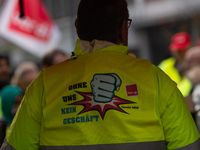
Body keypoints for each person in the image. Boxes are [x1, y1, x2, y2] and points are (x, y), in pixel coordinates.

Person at [1, 0, 200, 149]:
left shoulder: (44, 84)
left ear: (77, 27)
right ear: (123, 29)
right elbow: (188, 146)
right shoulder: (156, 78)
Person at [158, 32, 193, 97]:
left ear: (191, 47)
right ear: (172, 50)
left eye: (184, 50)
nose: (181, 53)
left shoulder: (196, 65)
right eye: (178, 50)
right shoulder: (165, 65)